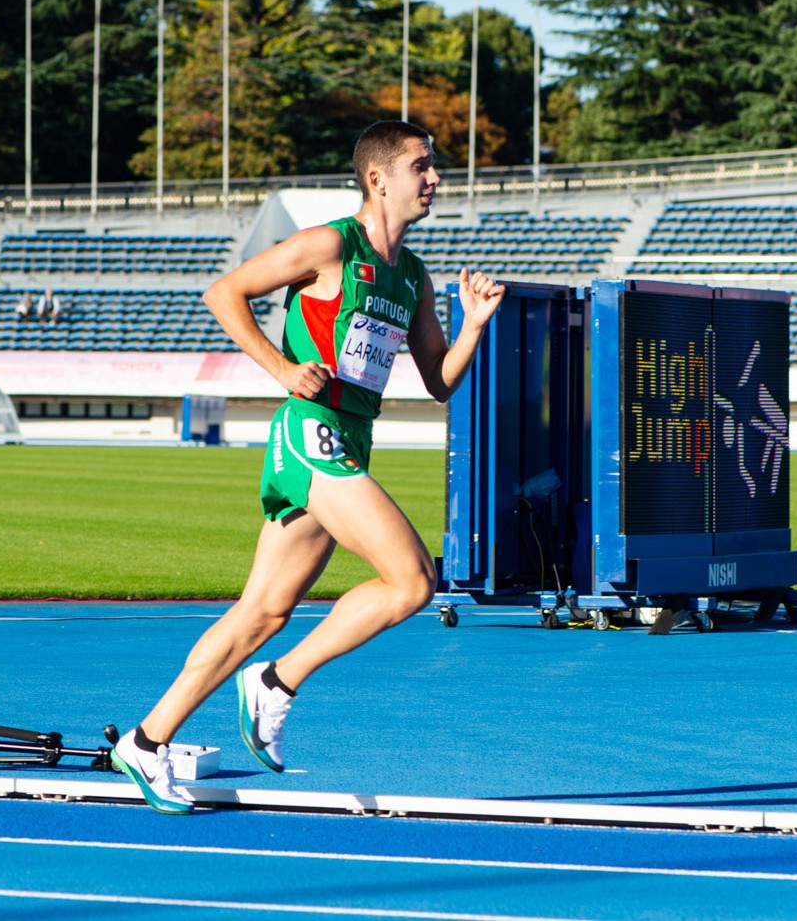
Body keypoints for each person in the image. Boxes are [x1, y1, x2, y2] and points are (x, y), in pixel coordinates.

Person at [109, 120, 505, 815]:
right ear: (378, 178)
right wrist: (283, 369)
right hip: (309, 433)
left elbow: (440, 382)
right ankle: (278, 682)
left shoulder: (412, 275)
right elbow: (225, 292)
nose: (436, 178)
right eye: (423, 166)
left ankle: (145, 741)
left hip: (351, 437)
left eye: (434, 167)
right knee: (413, 581)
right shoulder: (330, 245)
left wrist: (471, 326)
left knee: (262, 611)